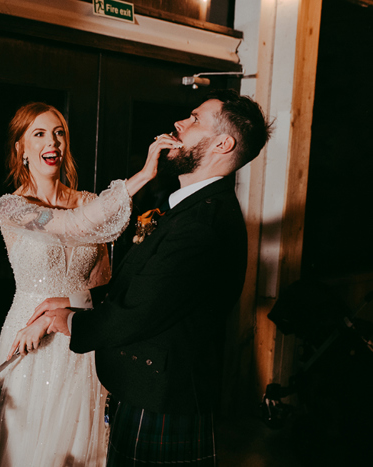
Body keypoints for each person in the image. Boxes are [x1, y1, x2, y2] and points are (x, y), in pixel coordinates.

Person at [21, 89, 272, 466]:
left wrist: (69, 319)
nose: (180, 124)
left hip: (164, 396)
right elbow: (153, 284)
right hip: (149, 388)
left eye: (194, 119)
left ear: (223, 143)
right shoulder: (190, 208)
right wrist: (79, 300)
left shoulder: (202, 223)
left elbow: (141, 309)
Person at [0, 102, 180, 466]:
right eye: (39, 133)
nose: (51, 141)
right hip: (28, 330)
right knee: (27, 442)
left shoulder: (89, 203)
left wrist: (77, 316)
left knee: (79, 439)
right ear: (21, 148)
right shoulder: (11, 207)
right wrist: (145, 174)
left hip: (81, 333)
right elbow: (69, 227)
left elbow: (102, 280)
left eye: (58, 133)